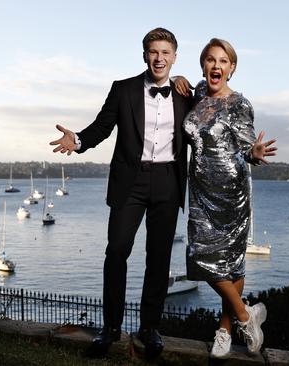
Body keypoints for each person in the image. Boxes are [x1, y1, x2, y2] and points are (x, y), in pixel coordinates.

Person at [49, 27, 193, 357]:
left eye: (165, 53)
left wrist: (246, 154)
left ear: (174, 57)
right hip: (131, 181)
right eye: (153, 52)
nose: (159, 58)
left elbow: (206, 131)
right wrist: (80, 141)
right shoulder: (123, 89)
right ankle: (111, 327)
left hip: (169, 180)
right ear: (144, 55)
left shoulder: (186, 94)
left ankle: (150, 327)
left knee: (159, 258)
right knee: (116, 252)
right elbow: (102, 126)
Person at [183, 38, 277, 359]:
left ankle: (225, 329)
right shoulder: (197, 93)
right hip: (200, 192)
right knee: (199, 256)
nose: (216, 66)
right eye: (210, 60)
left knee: (230, 264)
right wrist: (178, 80)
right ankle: (246, 316)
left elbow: (249, 144)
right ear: (203, 65)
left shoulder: (239, 104)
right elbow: (183, 87)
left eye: (223, 61)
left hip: (231, 194)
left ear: (232, 68)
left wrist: (255, 152)